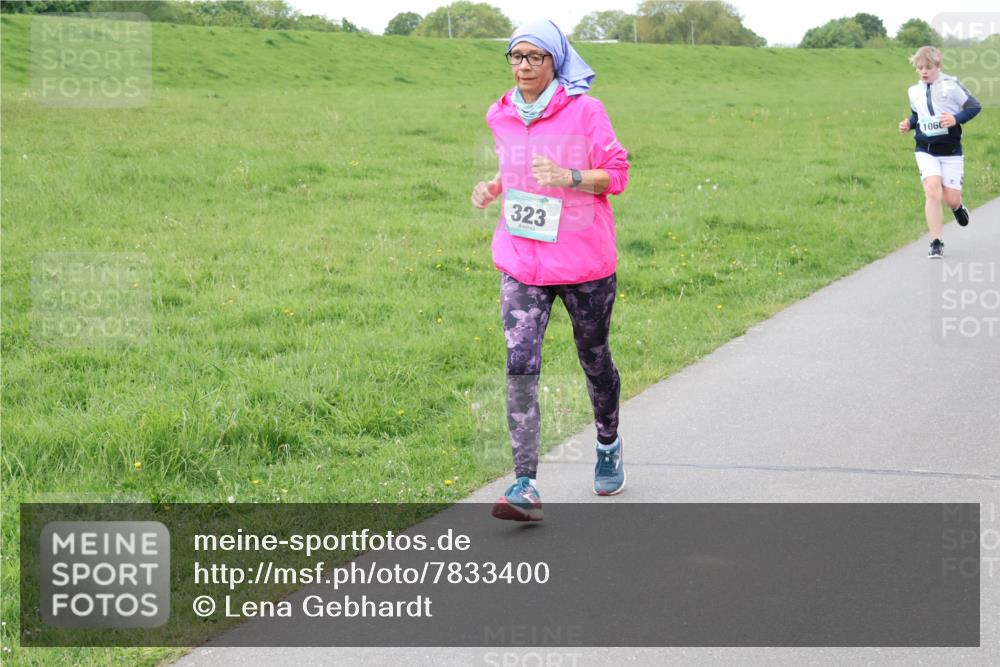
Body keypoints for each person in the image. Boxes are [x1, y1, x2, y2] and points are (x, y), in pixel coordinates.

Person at [471, 20, 630, 521]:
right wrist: (494, 187)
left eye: (534, 56)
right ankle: (525, 483)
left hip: (583, 260)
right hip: (522, 259)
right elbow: (515, 164)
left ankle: (607, 442)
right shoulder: (500, 114)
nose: (523, 65)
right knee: (519, 363)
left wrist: (571, 177)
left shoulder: (586, 111)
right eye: (515, 56)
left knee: (594, 356)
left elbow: (618, 174)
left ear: (555, 61)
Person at [898, 46, 981, 259]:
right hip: (925, 149)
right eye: (920, 68)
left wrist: (956, 119)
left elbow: (974, 107)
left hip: (951, 150)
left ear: (938, 66)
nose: (924, 71)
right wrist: (909, 123)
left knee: (951, 199)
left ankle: (958, 207)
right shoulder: (913, 91)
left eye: (928, 67)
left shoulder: (951, 85)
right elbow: (918, 115)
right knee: (932, 191)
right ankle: (936, 241)